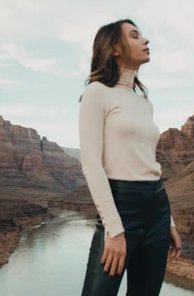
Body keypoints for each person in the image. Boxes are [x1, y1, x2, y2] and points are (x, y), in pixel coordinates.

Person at [79, 19, 182, 296]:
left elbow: (149, 165)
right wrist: (114, 229)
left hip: (157, 207)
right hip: (121, 206)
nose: (145, 40)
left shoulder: (143, 103)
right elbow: (91, 163)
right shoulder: (96, 93)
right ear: (114, 48)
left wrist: (168, 221)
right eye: (135, 36)